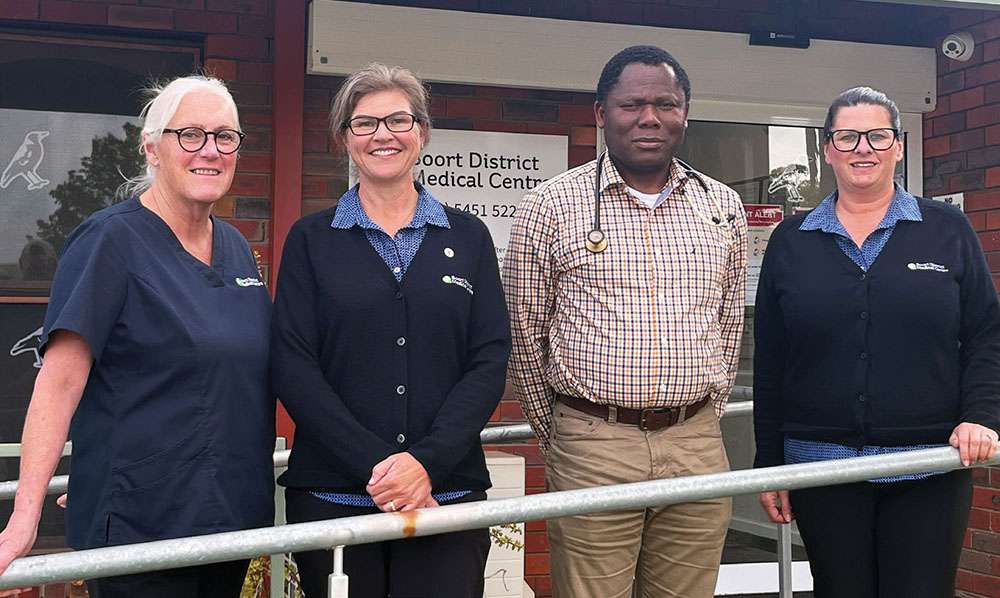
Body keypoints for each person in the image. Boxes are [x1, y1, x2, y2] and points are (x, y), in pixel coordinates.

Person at [0, 75, 275, 597]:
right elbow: (59, 382)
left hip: (231, 523)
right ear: (151, 146)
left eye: (225, 136)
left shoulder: (237, 249)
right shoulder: (109, 241)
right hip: (143, 528)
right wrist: (24, 517)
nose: (210, 150)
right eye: (189, 134)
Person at [505, 45, 748, 598]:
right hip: (594, 443)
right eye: (632, 104)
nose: (650, 117)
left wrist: (701, 416)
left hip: (697, 445)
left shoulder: (722, 207)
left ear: (686, 112)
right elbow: (525, 335)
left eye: (666, 103)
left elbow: (729, 323)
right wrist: (568, 433)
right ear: (601, 113)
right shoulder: (550, 206)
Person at [270, 63, 510, 598]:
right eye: (365, 123)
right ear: (344, 139)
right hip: (333, 498)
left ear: (421, 132)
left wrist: (426, 462)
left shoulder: (469, 237)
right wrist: (381, 469)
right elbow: (293, 363)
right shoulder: (311, 241)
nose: (383, 135)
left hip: (443, 494)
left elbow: (489, 358)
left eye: (398, 120)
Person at [753, 86, 1000, 598]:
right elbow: (773, 358)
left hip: (929, 462)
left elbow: (984, 333)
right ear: (827, 148)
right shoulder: (791, 240)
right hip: (821, 465)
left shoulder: (946, 230)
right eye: (847, 136)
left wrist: (982, 415)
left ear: (898, 146)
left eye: (877, 135)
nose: (862, 148)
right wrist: (768, 463)